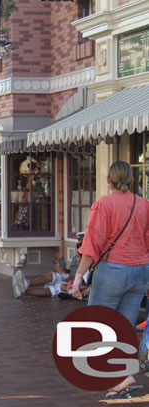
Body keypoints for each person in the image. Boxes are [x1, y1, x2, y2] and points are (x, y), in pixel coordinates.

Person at [71, 160, 149, 400]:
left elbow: (92, 244)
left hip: (113, 270)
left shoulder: (103, 204)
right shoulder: (144, 204)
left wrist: (78, 277)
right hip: (140, 271)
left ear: (108, 181)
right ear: (132, 180)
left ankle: (121, 377)